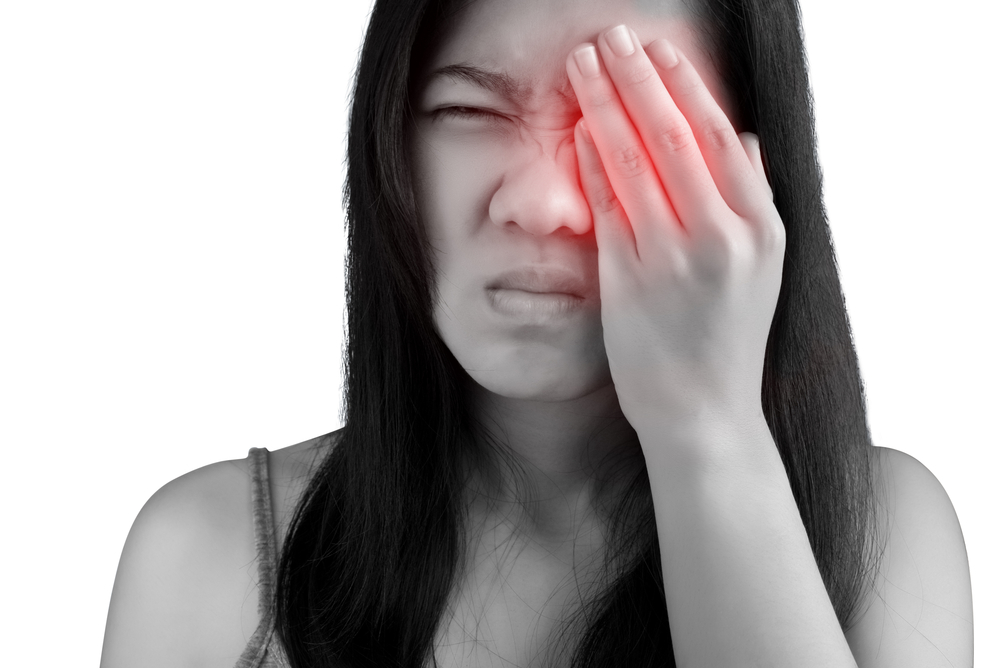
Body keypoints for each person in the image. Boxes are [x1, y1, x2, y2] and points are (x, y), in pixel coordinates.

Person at [100, 0, 974, 665]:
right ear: (388, 148)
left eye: (627, 129)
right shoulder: (206, 555)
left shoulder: (883, 533)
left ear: (753, 179)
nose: (543, 204)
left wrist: (704, 426)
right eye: (471, 115)